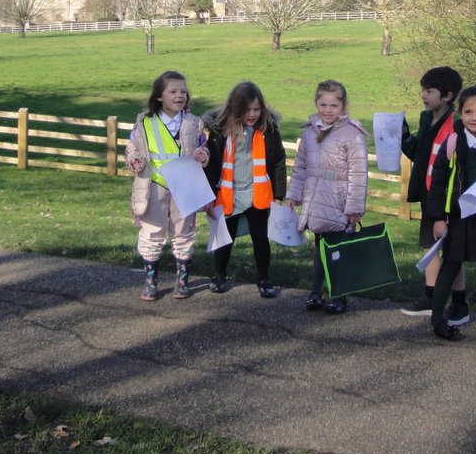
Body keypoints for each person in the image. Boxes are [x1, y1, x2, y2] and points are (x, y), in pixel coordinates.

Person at [425, 86, 476, 341]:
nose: (475, 117)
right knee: (450, 266)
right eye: (469, 111)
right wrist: (439, 217)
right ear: (460, 113)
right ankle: (437, 320)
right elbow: (438, 181)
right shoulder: (453, 142)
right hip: (458, 217)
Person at [125, 70, 210, 302]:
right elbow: (133, 146)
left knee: (183, 232)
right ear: (160, 96)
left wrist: (203, 154)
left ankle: (182, 281)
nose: (179, 95)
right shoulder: (145, 123)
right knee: (152, 231)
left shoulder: (193, 123)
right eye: (173, 91)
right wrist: (133, 159)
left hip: (185, 185)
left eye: (183, 91)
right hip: (154, 185)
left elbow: (202, 147)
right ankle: (150, 281)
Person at [286, 79, 368, 315]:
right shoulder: (310, 132)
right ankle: (315, 292)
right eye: (323, 104)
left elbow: (359, 173)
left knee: (337, 251)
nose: (328, 110)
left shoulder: (352, 134)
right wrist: (293, 195)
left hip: (339, 203)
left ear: (343, 106)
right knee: (320, 249)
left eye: (334, 105)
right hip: (315, 201)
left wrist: (354, 207)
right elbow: (300, 167)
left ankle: (339, 295)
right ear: (316, 103)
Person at [202, 81, 288, 298]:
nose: (252, 114)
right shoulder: (220, 131)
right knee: (225, 238)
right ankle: (219, 275)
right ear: (235, 108)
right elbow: (212, 164)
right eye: (247, 109)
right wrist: (209, 195)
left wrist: (278, 195)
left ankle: (264, 279)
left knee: (261, 239)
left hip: (257, 194)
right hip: (228, 193)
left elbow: (278, 161)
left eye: (256, 109)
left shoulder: (268, 129)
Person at [398, 66, 468, 324]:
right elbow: (419, 152)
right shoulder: (426, 119)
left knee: (453, 251)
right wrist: (405, 136)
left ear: (448, 96)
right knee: (430, 246)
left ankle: (460, 304)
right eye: (423, 90)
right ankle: (430, 297)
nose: (423, 96)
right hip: (429, 195)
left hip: (450, 198)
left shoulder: (457, 125)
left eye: (429, 91)